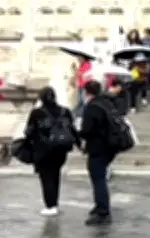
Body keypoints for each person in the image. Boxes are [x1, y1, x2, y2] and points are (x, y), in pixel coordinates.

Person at [24, 87, 79, 216]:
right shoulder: (65, 111)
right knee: (55, 175)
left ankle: (50, 205)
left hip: (43, 149)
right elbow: (72, 129)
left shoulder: (37, 113)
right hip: (61, 149)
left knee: (46, 177)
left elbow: (29, 131)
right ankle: (55, 203)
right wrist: (79, 143)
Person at [78, 80, 118, 226]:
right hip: (110, 146)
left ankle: (103, 211)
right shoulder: (106, 103)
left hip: (98, 147)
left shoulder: (92, 107)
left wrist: (79, 134)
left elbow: (87, 130)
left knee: (98, 179)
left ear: (86, 92)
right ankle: (99, 205)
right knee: (99, 177)